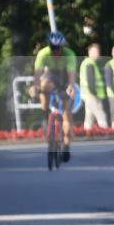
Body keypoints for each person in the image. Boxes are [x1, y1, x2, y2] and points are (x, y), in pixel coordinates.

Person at [31, 31, 78, 161]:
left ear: (63, 47)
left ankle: (67, 145)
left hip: (65, 78)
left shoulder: (69, 54)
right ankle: (45, 113)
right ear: (49, 47)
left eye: (58, 48)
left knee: (67, 114)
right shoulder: (43, 54)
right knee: (44, 85)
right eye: (53, 48)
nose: (56, 51)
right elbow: (37, 74)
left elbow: (72, 76)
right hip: (51, 76)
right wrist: (36, 86)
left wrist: (70, 87)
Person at [79, 43, 109, 129]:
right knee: (101, 115)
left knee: (89, 117)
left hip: (88, 95)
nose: (97, 54)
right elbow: (90, 80)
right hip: (92, 95)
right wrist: (94, 94)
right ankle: (106, 134)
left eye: (98, 52)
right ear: (89, 52)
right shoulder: (90, 63)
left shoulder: (89, 63)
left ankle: (86, 133)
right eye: (95, 52)